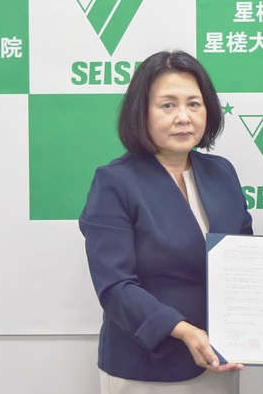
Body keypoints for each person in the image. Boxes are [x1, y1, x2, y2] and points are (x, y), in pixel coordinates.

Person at [79, 50, 253, 394]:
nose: (183, 117)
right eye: (168, 105)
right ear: (141, 112)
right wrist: (185, 331)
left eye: (194, 104)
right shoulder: (115, 182)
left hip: (219, 359)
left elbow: (245, 258)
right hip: (147, 365)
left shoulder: (221, 173)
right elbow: (115, 287)